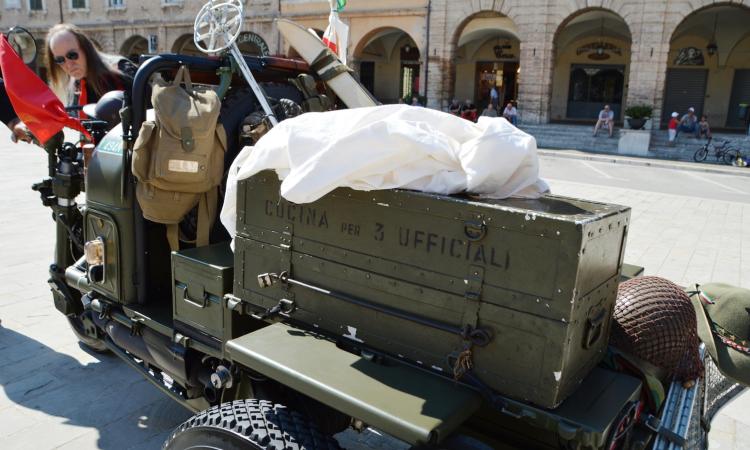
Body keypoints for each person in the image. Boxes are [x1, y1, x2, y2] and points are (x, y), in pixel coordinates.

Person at [9, 23, 135, 143]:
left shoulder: (122, 72)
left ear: (86, 49)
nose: (68, 65)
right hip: (93, 154)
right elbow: (60, 116)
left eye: (72, 55)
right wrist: (29, 126)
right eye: (60, 60)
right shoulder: (75, 85)